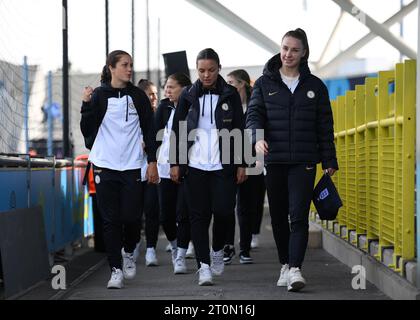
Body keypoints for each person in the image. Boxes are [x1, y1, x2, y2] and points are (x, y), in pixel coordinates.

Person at [246, 28, 338, 292]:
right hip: (274, 160)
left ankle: (296, 268)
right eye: (285, 48)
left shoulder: (315, 86)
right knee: (277, 216)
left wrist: (329, 159)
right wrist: (256, 138)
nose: (288, 54)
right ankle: (284, 264)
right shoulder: (264, 84)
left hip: (304, 161)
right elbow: (254, 116)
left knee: (298, 215)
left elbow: (324, 125)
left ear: (304, 53)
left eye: (294, 50)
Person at [80, 50, 159, 289]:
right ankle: (115, 269)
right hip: (104, 165)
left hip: (133, 165)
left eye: (131, 65)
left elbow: (149, 130)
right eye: (125, 65)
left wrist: (152, 161)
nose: (129, 69)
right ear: (111, 68)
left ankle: (128, 251)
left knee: (132, 216)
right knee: (110, 220)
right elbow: (86, 130)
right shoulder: (99, 95)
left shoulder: (138, 96)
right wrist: (85, 104)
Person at [170, 48, 247, 286]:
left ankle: (217, 251)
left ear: (219, 69)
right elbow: (178, 131)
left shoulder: (230, 94)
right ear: (196, 70)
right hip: (195, 166)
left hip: (223, 165)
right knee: (198, 217)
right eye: (201, 70)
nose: (206, 75)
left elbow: (240, 129)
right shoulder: (187, 95)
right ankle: (203, 266)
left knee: (224, 211)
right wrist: (176, 162)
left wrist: (242, 163)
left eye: (211, 70)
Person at [223, 69, 266, 265]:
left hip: (251, 161)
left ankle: (245, 248)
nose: (227, 85)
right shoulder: (224, 107)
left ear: (241, 84)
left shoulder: (254, 107)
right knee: (225, 206)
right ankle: (227, 246)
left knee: (246, 206)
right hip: (228, 161)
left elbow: (259, 133)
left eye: (231, 82)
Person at [155, 72, 192, 273]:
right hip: (164, 167)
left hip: (187, 168)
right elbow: (155, 132)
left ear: (184, 88)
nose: (167, 91)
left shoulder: (192, 108)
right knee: (165, 216)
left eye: (171, 87)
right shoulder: (164, 107)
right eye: (166, 87)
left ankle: (180, 256)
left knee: (183, 213)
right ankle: (176, 244)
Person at [135, 79, 161, 267]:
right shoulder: (131, 115)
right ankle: (134, 244)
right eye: (150, 94)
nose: (154, 98)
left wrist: (152, 146)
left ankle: (151, 249)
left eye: (155, 94)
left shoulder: (158, 115)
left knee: (152, 209)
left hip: (154, 168)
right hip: (133, 170)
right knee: (133, 212)